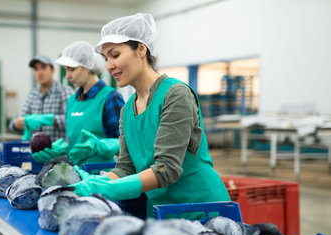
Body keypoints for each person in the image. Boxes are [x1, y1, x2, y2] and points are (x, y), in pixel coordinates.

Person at [70, 13, 230, 218]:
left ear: (141, 49)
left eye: (115, 54)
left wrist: (107, 189)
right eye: (106, 58)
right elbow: (126, 168)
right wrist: (97, 183)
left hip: (202, 211)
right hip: (161, 214)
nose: (109, 65)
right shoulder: (127, 110)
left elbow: (166, 168)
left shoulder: (175, 94)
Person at [31, 41, 124, 165]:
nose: (68, 76)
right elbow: (74, 139)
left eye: (72, 69)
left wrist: (100, 146)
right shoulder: (72, 101)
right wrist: (63, 148)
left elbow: (126, 143)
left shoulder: (110, 98)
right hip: (74, 173)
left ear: (89, 65)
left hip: (101, 177)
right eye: (66, 70)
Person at [9, 54, 74, 142]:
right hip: (35, 153)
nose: (39, 72)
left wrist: (49, 120)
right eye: (36, 69)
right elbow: (14, 122)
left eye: (43, 67)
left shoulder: (64, 91)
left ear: (52, 70)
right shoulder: (33, 95)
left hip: (58, 152)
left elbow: (72, 120)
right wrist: (17, 124)